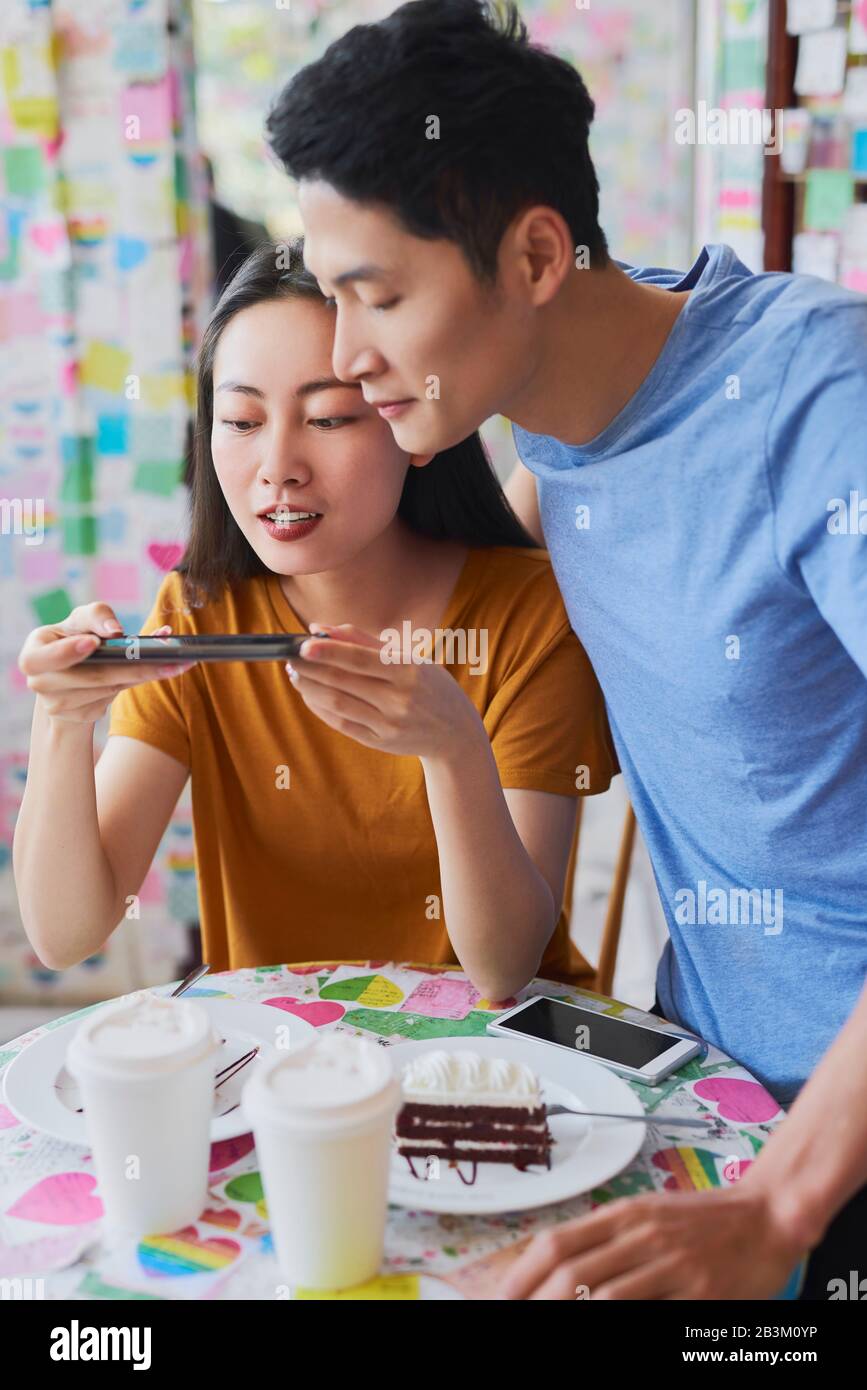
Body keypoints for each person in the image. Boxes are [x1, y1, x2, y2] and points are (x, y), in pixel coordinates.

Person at [264, 0, 867, 1299]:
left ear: (535, 255)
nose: (345, 351)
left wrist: (787, 1205)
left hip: (834, 1144)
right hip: (695, 1077)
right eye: (331, 295)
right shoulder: (537, 396)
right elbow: (520, 585)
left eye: (377, 295)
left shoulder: (818, 400)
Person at [13, 238, 617, 1003]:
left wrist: (452, 747)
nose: (277, 465)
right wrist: (62, 722)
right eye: (239, 420)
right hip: (285, 1068)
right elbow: (66, 933)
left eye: (328, 418)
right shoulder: (200, 613)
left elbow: (502, 969)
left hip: (490, 1063)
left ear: (413, 421)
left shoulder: (526, 615)